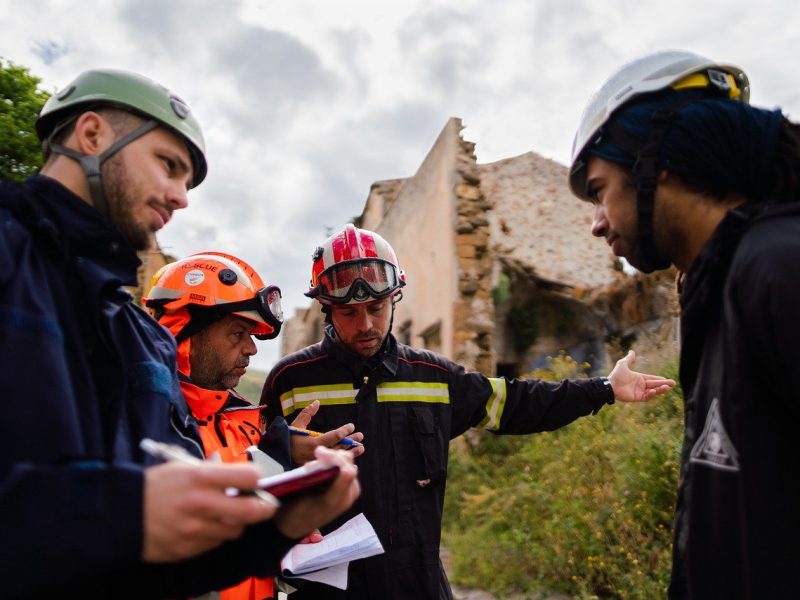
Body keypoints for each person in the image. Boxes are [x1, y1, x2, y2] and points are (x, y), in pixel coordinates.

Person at [0, 68, 359, 599]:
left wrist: (280, 525)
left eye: (187, 182)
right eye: (169, 166)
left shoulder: (140, 342)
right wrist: (124, 512)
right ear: (92, 134)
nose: (181, 197)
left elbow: (165, 565)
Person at [260, 224, 675, 599]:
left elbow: (518, 402)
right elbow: (246, 471)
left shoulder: (433, 377)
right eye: (349, 313)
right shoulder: (290, 381)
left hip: (419, 587)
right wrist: (283, 457)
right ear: (326, 309)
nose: (365, 324)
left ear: (395, 298)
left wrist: (603, 388)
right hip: (325, 590)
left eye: (377, 308)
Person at [568, 49, 800, 598]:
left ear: (657, 163)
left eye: (600, 191)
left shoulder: (777, 270)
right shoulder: (719, 283)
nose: (597, 224)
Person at [144, 250, 365, 600]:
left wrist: (288, 466)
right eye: (237, 333)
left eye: (252, 335)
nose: (251, 349)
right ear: (184, 332)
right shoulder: (144, 424)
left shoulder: (249, 426)